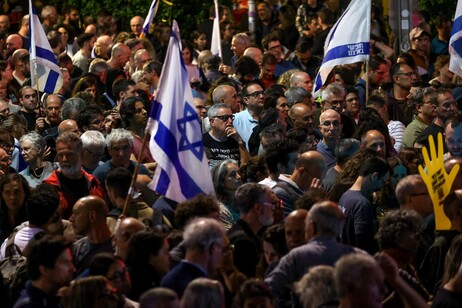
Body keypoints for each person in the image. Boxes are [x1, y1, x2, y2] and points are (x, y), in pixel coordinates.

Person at [266, 201, 358, 307]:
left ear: (312, 226)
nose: (293, 238)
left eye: (300, 231)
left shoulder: (296, 257)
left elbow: (267, 289)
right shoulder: (356, 256)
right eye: (289, 233)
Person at [43, 132, 106, 219]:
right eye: (60, 155)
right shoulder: (49, 188)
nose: (64, 159)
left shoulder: (94, 184)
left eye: (69, 154)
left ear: (81, 154)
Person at [161, 217, 226, 298]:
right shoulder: (204, 288)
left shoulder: (169, 279)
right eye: (223, 249)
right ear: (213, 248)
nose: (224, 255)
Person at [339, 156, 390, 254]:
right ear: (374, 176)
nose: (381, 186)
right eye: (382, 181)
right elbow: (363, 243)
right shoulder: (362, 203)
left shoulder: (345, 196)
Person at [228, 183, 276, 278]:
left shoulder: (242, 232)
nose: (273, 209)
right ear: (258, 208)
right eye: (272, 204)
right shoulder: (243, 243)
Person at [13, 235, 75, 308]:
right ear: (44, 270)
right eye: (65, 263)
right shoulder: (30, 306)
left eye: (70, 262)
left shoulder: (51, 300)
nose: (73, 268)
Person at [69, 196, 113, 276]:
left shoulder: (117, 247)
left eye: (76, 213)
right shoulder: (77, 249)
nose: (71, 219)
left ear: (92, 216)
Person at [211, 159, 242, 229]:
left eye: (238, 173)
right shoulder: (220, 210)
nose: (239, 177)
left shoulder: (244, 200)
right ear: (221, 181)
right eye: (233, 175)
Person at [0, 174, 29, 243]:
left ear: (25, 193)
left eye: (17, 192)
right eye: (7, 193)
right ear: (2, 194)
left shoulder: (33, 218)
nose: (12, 197)